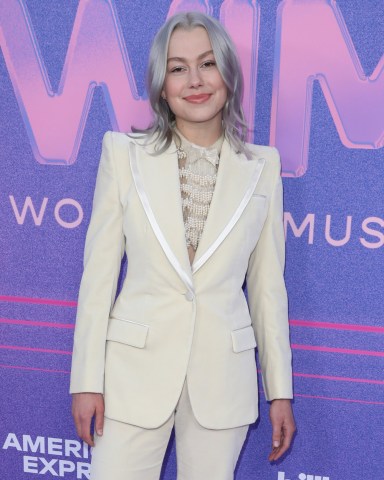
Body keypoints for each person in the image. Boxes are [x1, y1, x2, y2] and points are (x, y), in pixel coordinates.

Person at [70, 11, 295, 480]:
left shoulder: (263, 167)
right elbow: (98, 279)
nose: (194, 80)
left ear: (228, 74)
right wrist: (86, 381)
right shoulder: (122, 155)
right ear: (161, 83)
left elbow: (268, 289)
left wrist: (280, 391)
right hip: (132, 376)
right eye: (177, 68)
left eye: (207, 64)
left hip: (222, 383)